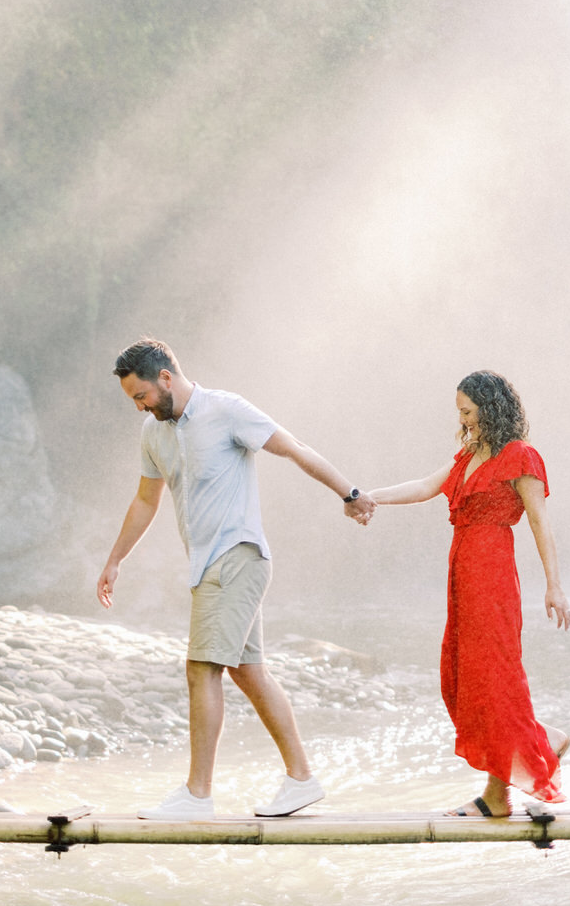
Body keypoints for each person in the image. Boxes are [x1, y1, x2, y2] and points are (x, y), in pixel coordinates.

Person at [97, 337, 375, 821]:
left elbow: (293, 448)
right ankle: (301, 780)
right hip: (208, 565)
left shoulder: (225, 410)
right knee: (248, 671)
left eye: (140, 395)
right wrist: (115, 559)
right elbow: (146, 500)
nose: (138, 406)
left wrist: (348, 492)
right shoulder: (153, 431)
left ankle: (197, 795)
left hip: (237, 557)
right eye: (132, 401)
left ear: (165, 378)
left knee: (201, 668)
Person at [369, 370, 570, 817]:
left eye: (467, 411)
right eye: (460, 412)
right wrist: (368, 497)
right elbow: (424, 486)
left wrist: (554, 586)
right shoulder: (469, 454)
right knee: (465, 679)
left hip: (494, 576)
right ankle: (543, 740)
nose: (462, 419)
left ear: (490, 407)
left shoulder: (521, 456)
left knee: (494, 677)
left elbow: (540, 523)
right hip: (463, 575)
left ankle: (497, 796)